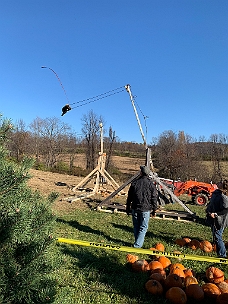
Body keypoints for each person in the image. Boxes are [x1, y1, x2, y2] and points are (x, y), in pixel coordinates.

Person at [126, 165, 158, 248]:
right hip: (145, 209)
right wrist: (154, 209)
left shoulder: (134, 183)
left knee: (136, 226)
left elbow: (129, 197)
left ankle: (137, 242)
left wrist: (128, 207)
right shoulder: (151, 185)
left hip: (135, 207)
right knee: (143, 227)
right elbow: (154, 197)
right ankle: (137, 245)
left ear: (141, 173)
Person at [206, 181, 228, 258]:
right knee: (215, 234)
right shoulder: (216, 193)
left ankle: (223, 255)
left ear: (223, 186)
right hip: (213, 218)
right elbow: (212, 203)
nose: (218, 182)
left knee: (218, 235)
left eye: (221, 182)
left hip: (220, 220)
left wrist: (215, 214)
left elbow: (225, 210)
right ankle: (217, 248)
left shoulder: (223, 197)